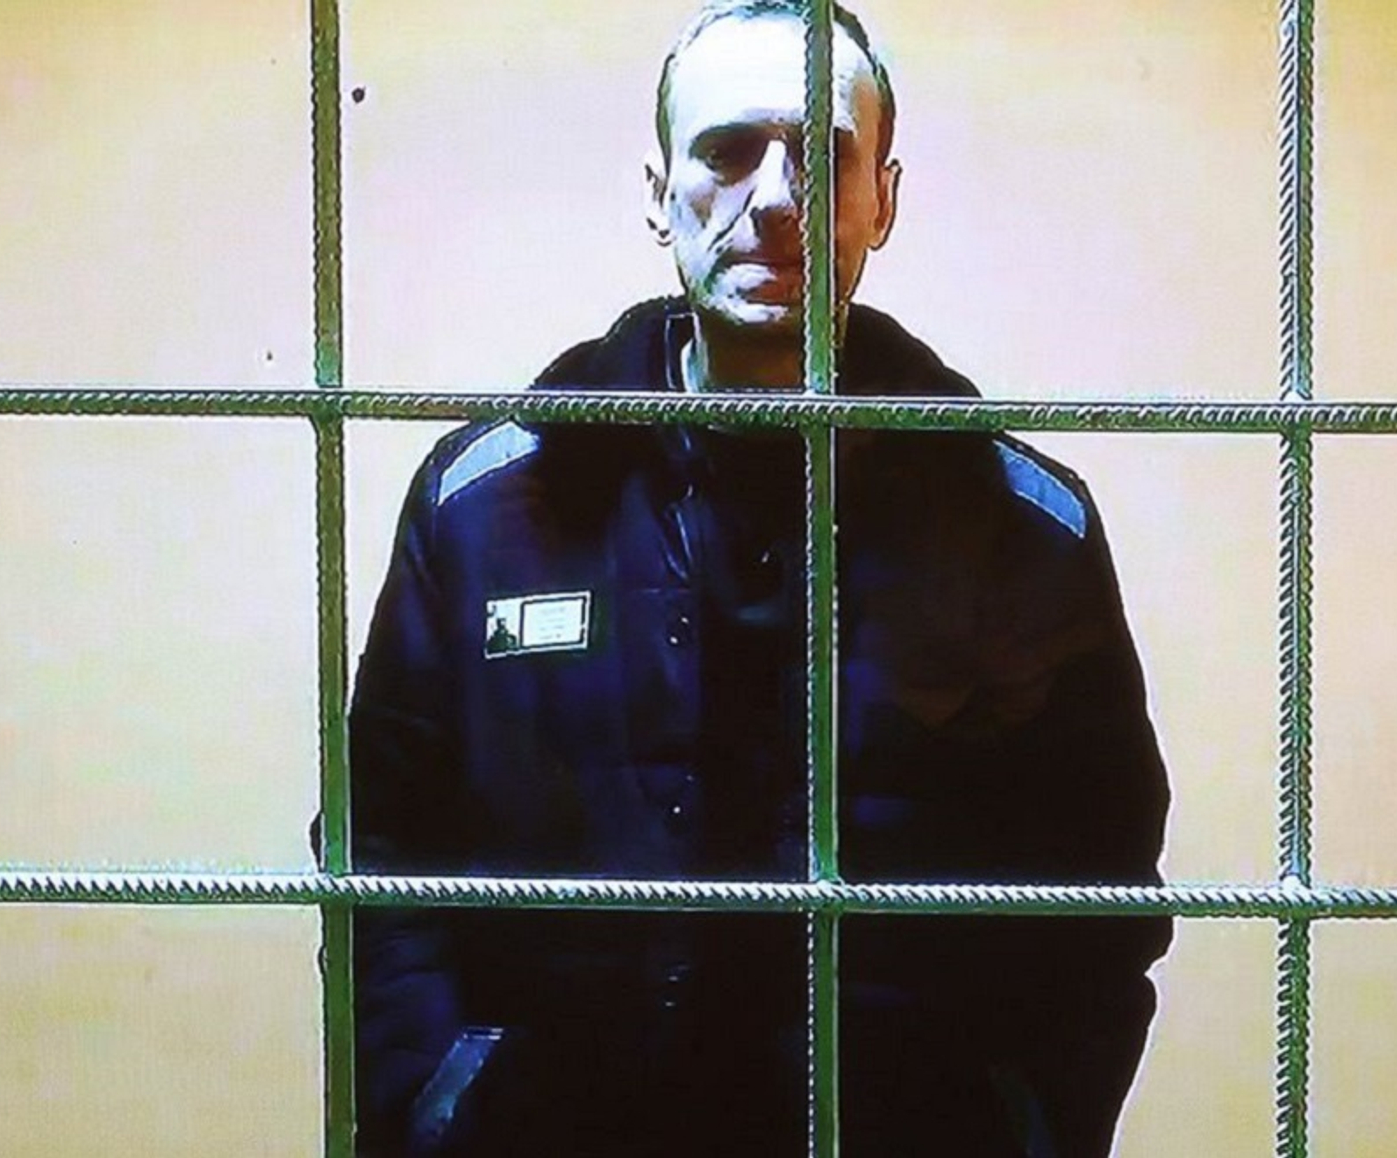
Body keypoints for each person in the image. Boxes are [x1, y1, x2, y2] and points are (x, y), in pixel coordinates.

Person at [344, 2, 1171, 1155]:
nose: (776, 198)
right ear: (657, 193)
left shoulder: (1018, 525)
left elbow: (1095, 897)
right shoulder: (485, 505)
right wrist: (445, 1113)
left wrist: (1017, 1127)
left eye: (821, 158)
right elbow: (379, 856)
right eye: (727, 151)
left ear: (880, 199)